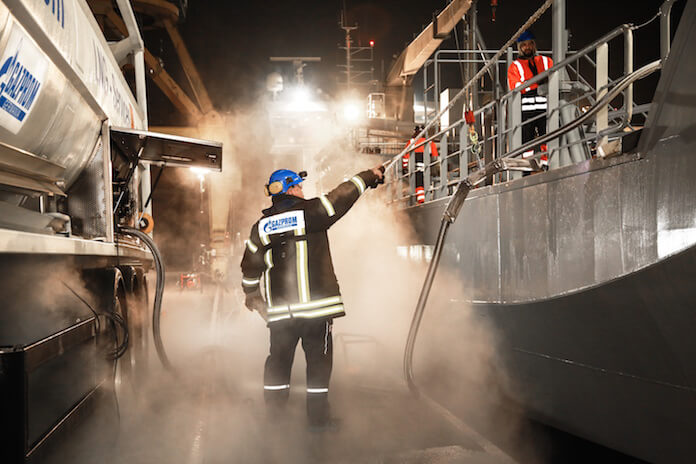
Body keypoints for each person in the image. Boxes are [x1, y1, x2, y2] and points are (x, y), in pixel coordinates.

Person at [240, 166, 384, 429]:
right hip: (317, 313)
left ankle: (274, 418)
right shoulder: (310, 213)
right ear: (292, 187)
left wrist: (253, 296)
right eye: (299, 186)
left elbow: (249, 268)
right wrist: (369, 176)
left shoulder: (260, 228)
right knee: (317, 366)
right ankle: (318, 421)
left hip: (282, 315)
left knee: (278, 365)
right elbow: (342, 196)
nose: (303, 191)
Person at [507, 30, 553, 170]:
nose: (527, 48)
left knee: (548, 136)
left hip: (545, 107)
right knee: (526, 140)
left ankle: (547, 163)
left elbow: (554, 79)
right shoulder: (514, 66)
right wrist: (538, 83)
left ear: (534, 45)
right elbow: (515, 87)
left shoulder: (546, 61)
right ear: (520, 47)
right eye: (524, 45)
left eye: (530, 44)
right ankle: (527, 167)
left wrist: (528, 84)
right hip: (526, 110)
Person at [402, 126, 439, 204]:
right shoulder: (430, 142)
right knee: (427, 182)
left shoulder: (411, 142)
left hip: (416, 168)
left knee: (418, 184)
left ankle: (420, 200)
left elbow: (405, 157)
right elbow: (435, 157)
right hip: (427, 168)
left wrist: (404, 167)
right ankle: (429, 197)